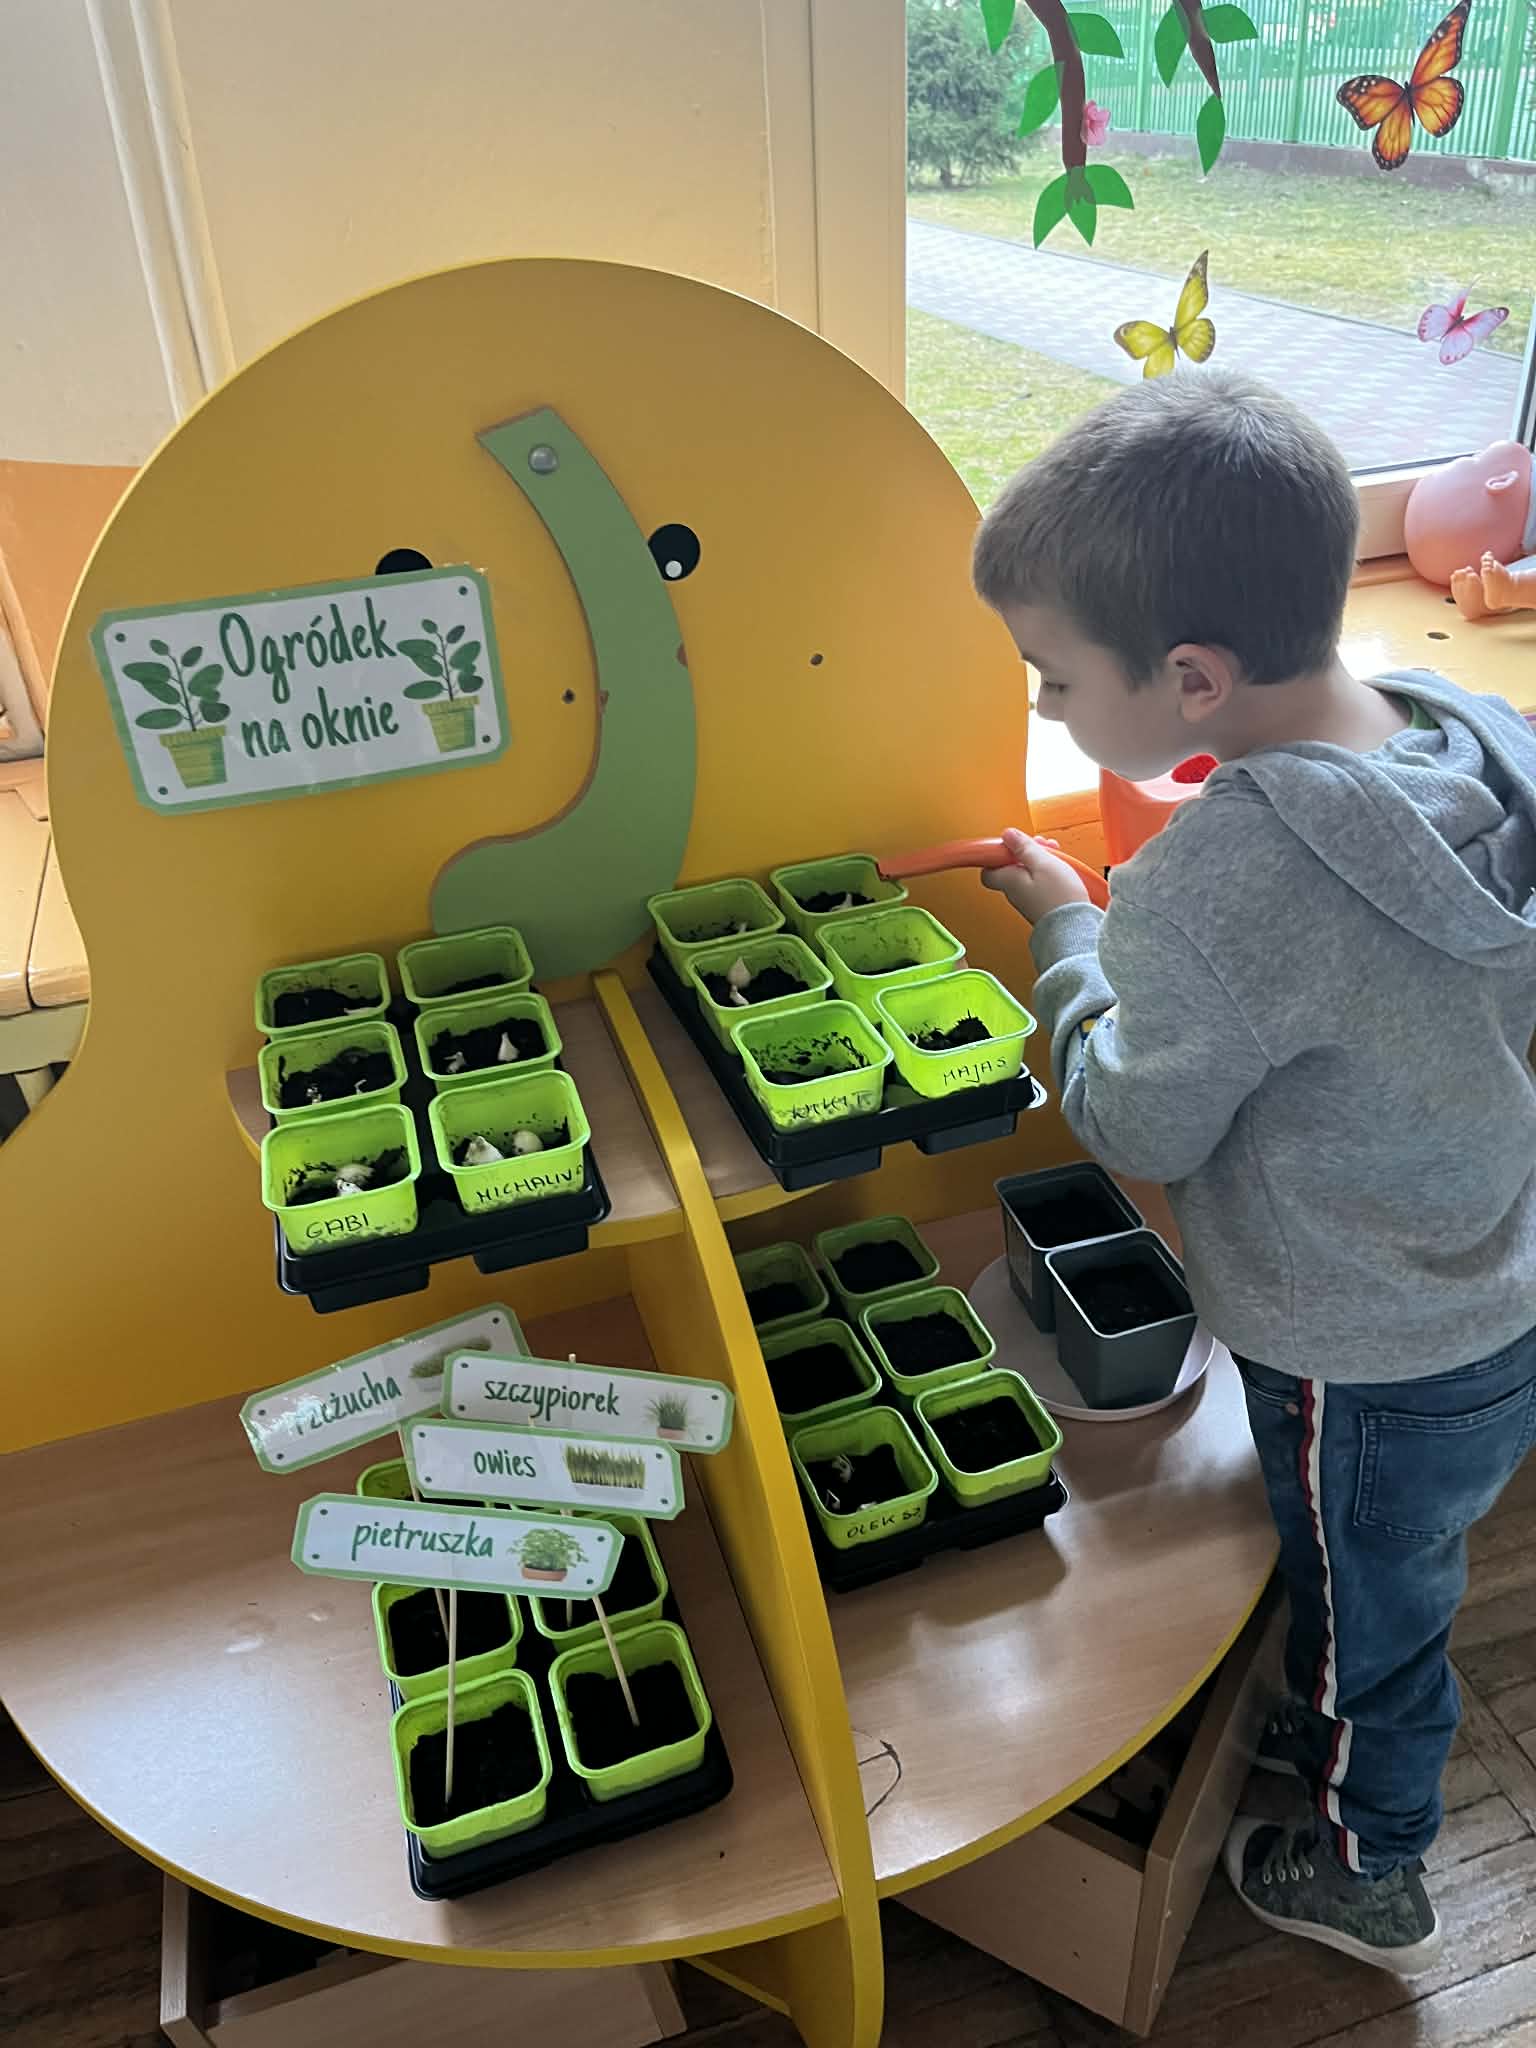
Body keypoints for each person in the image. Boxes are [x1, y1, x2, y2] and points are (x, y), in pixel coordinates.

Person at [973, 369, 1536, 1974]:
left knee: (1377, 1623)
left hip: (1361, 1352)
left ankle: (1375, 1870)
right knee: (1393, 1573)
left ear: (1193, 680)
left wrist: (1071, 938)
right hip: (1492, 1276)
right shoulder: (1475, 736)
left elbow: (1139, 1125)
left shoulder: (1223, 880)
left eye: (1053, 677)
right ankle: (1344, 1719)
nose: (1043, 709)